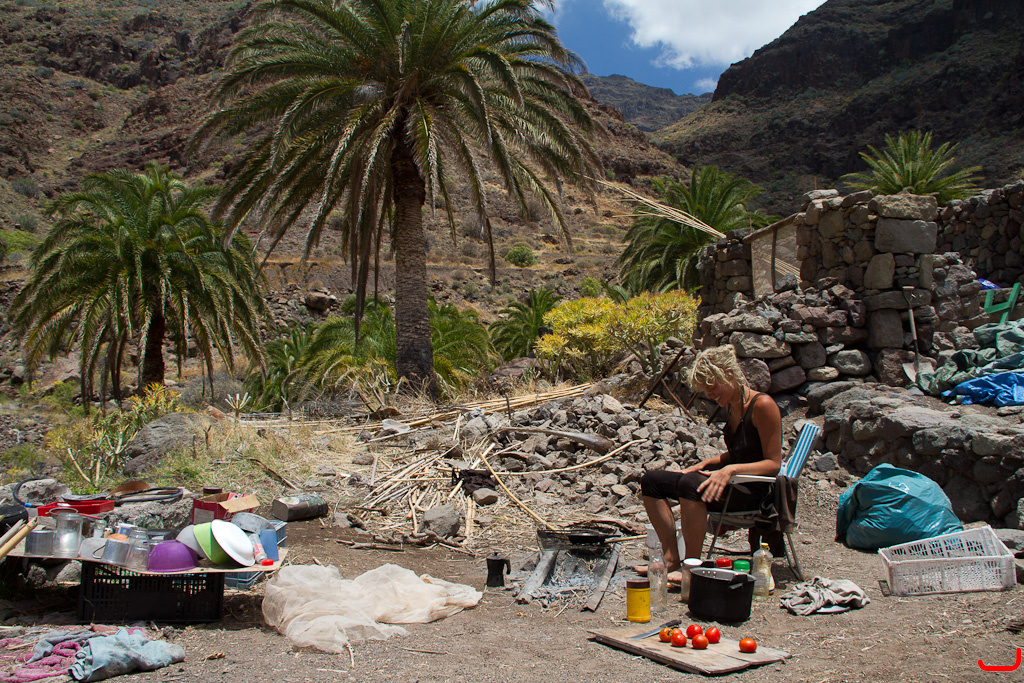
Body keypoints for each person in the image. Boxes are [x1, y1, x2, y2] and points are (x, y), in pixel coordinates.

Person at [637, 345, 783, 582]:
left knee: (691, 485)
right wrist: (704, 465)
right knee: (652, 481)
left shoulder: (763, 406)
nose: (710, 395)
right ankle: (671, 558)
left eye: (712, 387)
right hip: (732, 481)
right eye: (706, 390)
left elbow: (773, 463)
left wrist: (730, 470)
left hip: (753, 490)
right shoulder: (731, 406)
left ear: (728, 374)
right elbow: (738, 453)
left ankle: (691, 567)